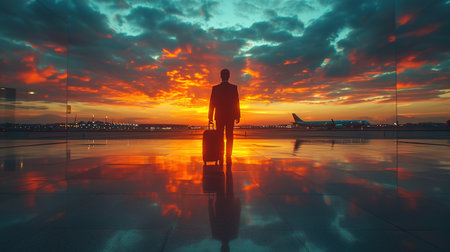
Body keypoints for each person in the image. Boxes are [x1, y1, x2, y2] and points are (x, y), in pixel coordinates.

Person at [208, 69, 240, 164]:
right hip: (230, 116)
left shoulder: (215, 88)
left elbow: (212, 103)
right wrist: (237, 115)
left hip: (219, 116)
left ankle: (220, 153)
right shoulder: (233, 88)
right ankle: (228, 155)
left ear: (221, 76)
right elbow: (236, 102)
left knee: (220, 136)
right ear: (229, 76)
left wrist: (210, 117)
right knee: (230, 136)